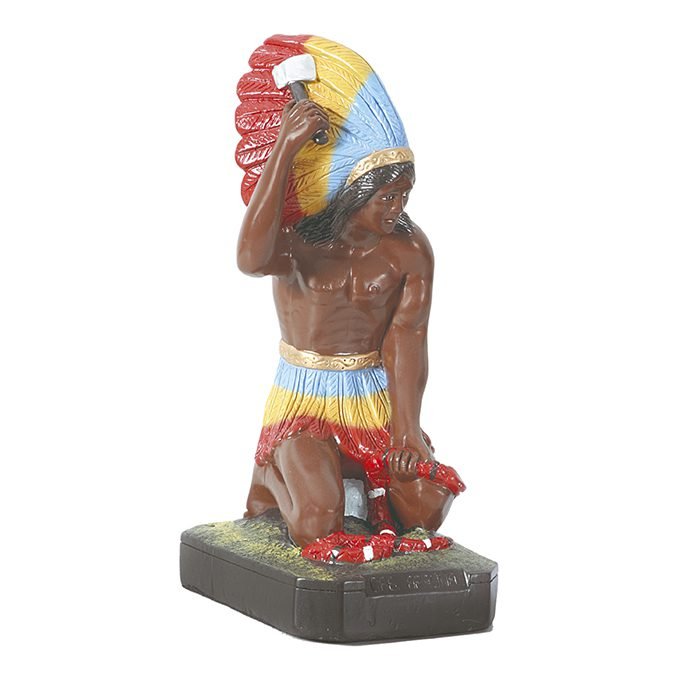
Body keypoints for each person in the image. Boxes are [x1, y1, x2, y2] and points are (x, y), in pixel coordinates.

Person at [234, 35, 464, 555]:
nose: (398, 207)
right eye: (388, 196)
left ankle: (350, 478)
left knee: (425, 507)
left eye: (405, 194)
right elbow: (249, 260)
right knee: (318, 522)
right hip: (305, 399)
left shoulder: (408, 250)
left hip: (370, 395)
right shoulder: (299, 239)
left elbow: (408, 336)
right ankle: (273, 474)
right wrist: (286, 147)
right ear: (354, 192)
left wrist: (407, 429)